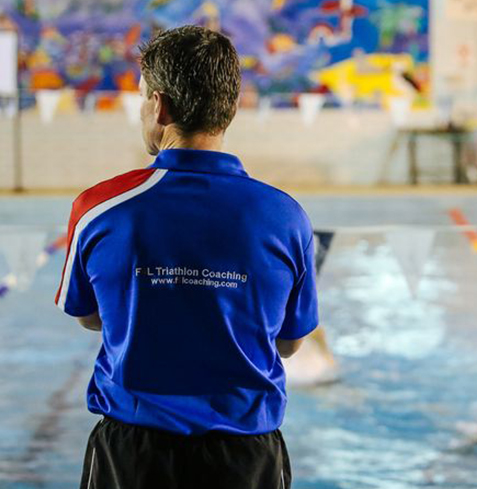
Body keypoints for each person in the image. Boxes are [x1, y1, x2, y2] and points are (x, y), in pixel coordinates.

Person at [55, 25, 318, 489]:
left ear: (159, 105)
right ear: (231, 107)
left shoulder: (99, 209)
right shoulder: (284, 216)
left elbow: (88, 316)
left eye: (141, 100)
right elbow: (291, 342)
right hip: (247, 453)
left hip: (133, 455)